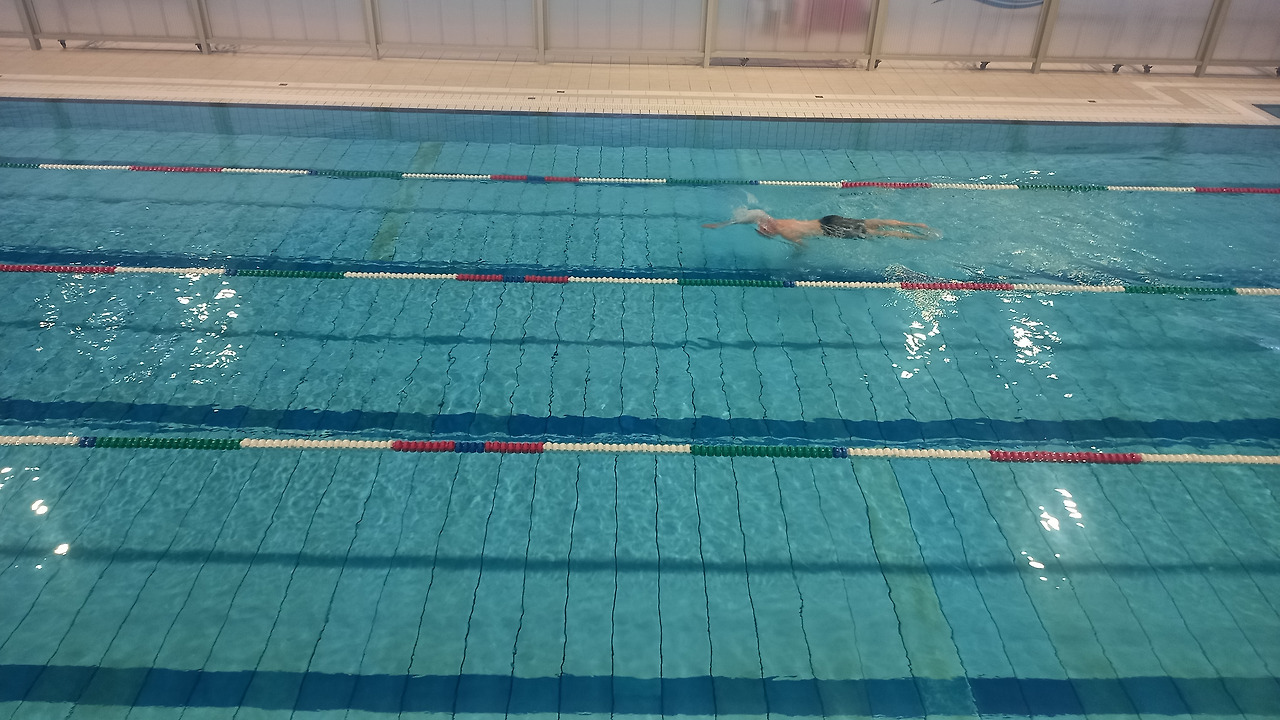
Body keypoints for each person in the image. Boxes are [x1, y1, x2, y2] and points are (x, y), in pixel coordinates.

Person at [702, 207, 936, 244]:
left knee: (876, 234)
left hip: (829, 230)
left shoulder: (785, 233)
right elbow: (755, 215)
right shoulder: (774, 219)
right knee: (871, 222)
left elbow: (802, 246)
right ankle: (917, 224)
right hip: (827, 219)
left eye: (764, 232)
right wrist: (722, 225)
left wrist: (795, 255)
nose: (764, 230)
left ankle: (919, 237)